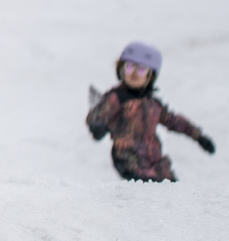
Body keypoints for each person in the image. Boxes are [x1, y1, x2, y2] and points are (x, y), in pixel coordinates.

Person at [86, 42, 215, 182]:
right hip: (129, 159)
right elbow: (97, 115)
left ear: (150, 76)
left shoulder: (153, 104)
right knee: (149, 186)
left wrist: (198, 136)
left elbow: (174, 121)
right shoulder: (115, 98)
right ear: (121, 69)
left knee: (172, 188)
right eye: (130, 67)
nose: (134, 73)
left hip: (156, 161)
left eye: (142, 70)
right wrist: (97, 126)